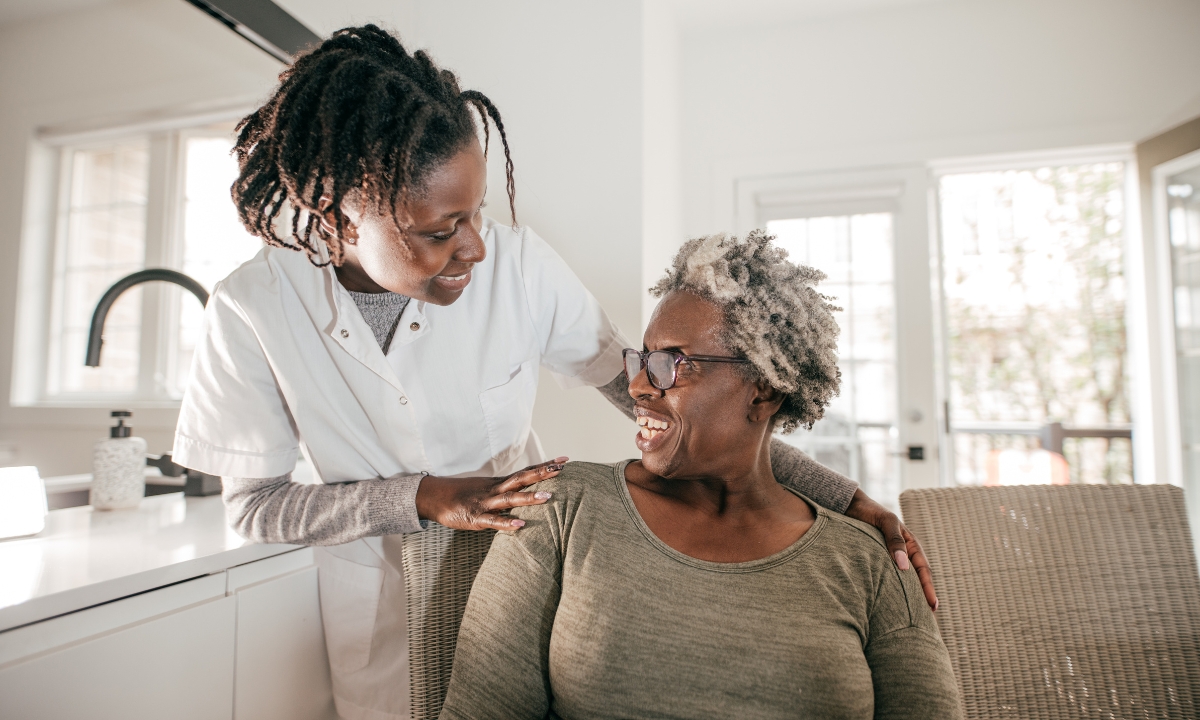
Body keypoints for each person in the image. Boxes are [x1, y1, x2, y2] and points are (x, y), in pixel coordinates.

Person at [172, 25, 935, 720]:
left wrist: (845, 497)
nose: (475, 247)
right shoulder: (252, 309)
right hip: (374, 600)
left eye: (475, 214)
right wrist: (428, 499)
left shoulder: (519, 269)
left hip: (524, 576)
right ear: (343, 218)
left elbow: (664, 399)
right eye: (441, 232)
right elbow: (257, 507)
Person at [441, 231, 961, 720]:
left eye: (674, 362)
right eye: (642, 359)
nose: (640, 386)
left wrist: (848, 501)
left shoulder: (868, 561)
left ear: (763, 389)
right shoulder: (561, 509)